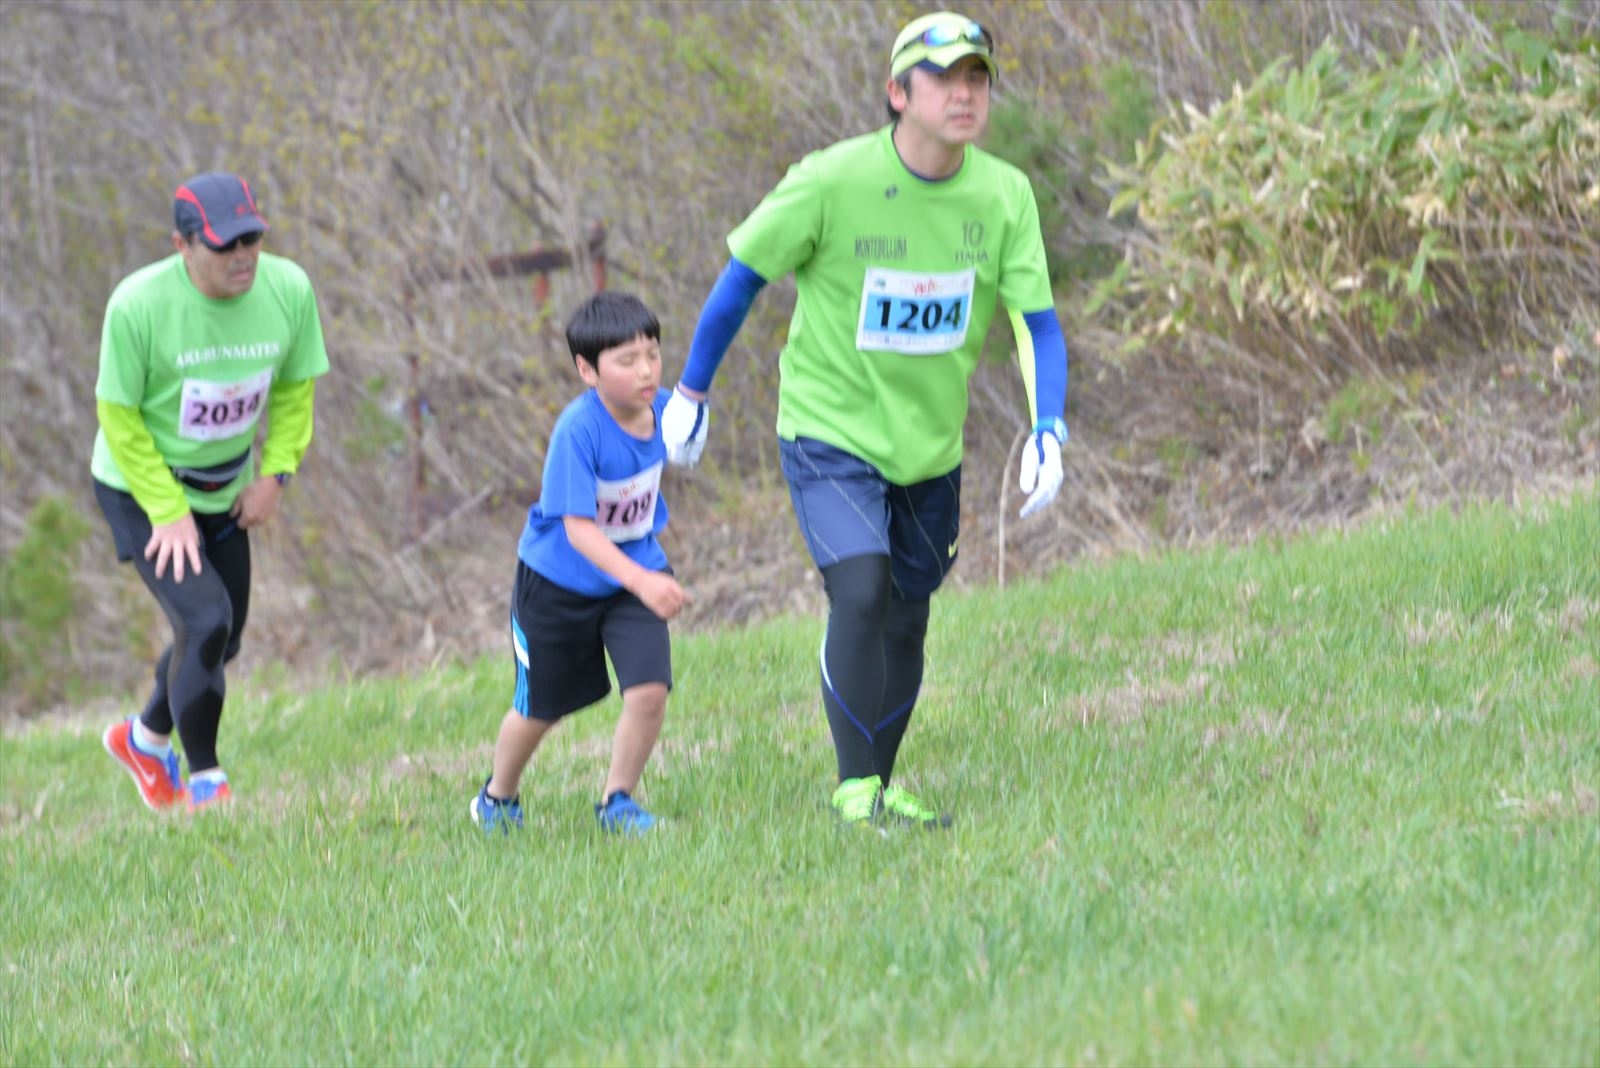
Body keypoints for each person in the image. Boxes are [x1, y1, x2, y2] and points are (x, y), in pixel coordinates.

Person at [660, 11, 1069, 829]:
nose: (964, 94)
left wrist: (1048, 427)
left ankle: (880, 786)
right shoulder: (829, 181)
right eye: (944, 78)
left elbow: (1037, 325)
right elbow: (742, 278)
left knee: (908, 617)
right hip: (829, 429)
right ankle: (854, 794)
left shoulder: (1003, 194)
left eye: (977, 78)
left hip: (929, 446)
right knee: (861, 586)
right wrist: (690, 393)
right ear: (897, 92)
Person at [94, 171, 329, 813]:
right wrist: (167, 511)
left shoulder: (288, 289)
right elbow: (118, 417)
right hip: (140, 487)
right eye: (225, 245)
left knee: (226, 638)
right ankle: (206, 784)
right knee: (205, 619)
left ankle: (143, 740)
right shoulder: (137, 305)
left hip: (225, 486)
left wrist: (275, 475)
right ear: (182, 245)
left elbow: (295, 389)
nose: (243, 255)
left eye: (252, 239)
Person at [470, 291, 692, 838]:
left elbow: (693, 424)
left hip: (631, 576)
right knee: (541, 709)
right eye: (627, 360)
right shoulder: (578, 430)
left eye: (653, 354)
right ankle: (497, 797)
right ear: (587, 370)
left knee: (649, 691)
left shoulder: (667, 412)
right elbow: (579, 530)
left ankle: (618, 802)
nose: (647, 370)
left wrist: (641, 579)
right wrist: (644, 582)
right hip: (559, 584)